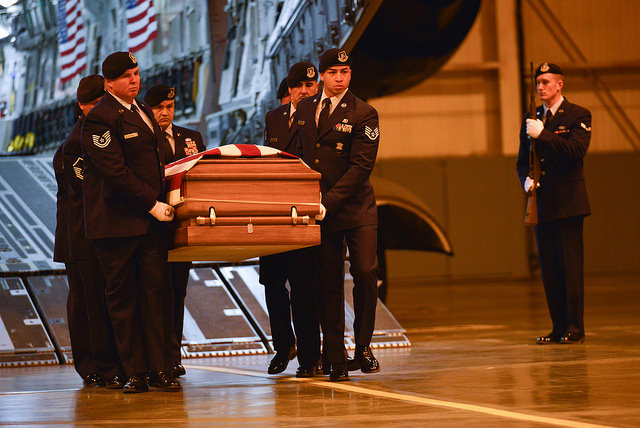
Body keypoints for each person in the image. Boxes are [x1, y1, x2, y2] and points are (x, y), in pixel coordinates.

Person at [81, 52, 180, 393]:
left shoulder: (141, 112)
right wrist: (152, 205)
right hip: (118, 225)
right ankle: (133, 372)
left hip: (149, 225)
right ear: (109, 83)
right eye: (126, 77)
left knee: (155, 297)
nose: (134, 81)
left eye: (136, 74)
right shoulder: (100, 118)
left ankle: (159, 368)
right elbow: (115, 171)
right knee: (124, 301)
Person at [296, 49, 381, 381]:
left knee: (364, 272)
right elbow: (298, 155)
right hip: (321, 211)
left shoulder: (364, 112)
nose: (340, 78)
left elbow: (360, 168)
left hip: (355, 208)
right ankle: (335, 357)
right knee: (327, 283)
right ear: (321, 76)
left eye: (344, 71)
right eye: (333, 72)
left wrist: (327, 202)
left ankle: (362, 346)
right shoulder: (304, 108)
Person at [53, 74, 122, 389]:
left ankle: (102, 364)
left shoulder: (92, 135)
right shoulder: (77, 142)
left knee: (95, 302)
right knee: (87, 303)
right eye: (98, 103)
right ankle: (95, 366)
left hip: (92, 234)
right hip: (81, 238)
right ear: (83, 105)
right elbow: (84, 191)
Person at [517, 62, 592, 345]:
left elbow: (576, 150)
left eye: (546, 82)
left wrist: (543, 135)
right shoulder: (533, 116)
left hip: (569, 202)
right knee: (549, 269)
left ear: (560, 84)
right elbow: (523, 158)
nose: (540, 87)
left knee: (570, 267)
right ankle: (558, 327)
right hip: (543, 202)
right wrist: (525, 178)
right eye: (538, 82)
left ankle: (575, 327)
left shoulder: (578, 115)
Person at [260, 62, 322, 378]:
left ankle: (311, 356)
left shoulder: (323, 117)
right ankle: (283, 347)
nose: (305, 90)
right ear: (291, 89)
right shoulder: (274, 118)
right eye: (299, 85)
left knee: (304, 287)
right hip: (275, 212)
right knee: (272, 283)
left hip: (306, 213)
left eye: (310, 85)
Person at [143, 83, 206, 378]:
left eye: (169, 107)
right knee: (156, 295)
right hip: (152, 226)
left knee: (177, 293)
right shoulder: (144, 139)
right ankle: (156, 359)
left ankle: (173, 355)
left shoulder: (190, 138)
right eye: (159, 108)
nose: (165, 113)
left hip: (182, 229)